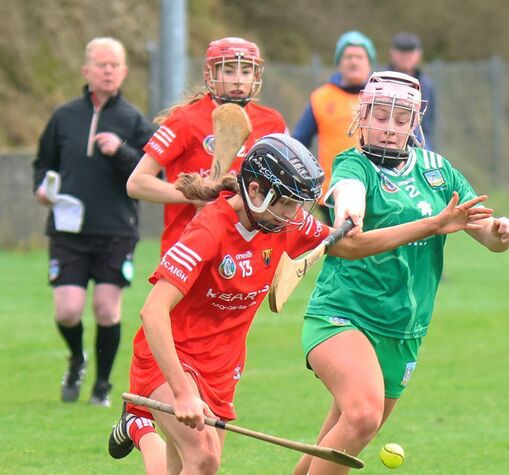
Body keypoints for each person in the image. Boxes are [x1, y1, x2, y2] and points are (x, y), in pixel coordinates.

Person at [107, 133, 492, 475]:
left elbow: (352, 246)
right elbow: (152, 312)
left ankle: (140, 427)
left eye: (298, 206)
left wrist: (434, 224)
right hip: (168, 356)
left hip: (222, 366)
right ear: (257, 192)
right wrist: (182, 393)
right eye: (287, 204)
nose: (295, 216)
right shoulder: (209, 229)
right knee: (204, 458)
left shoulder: (283, 225)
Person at [243, 71, 509, 475]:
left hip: (404, 333)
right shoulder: (351, 166)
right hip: (342, 316)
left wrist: (502, 231)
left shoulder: (440, 173)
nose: (389, 128)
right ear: (361, 119)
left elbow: (482, 229)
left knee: (338, 440)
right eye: (379, 116)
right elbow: (351, 230)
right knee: (364, 413)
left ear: (416, 122)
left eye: (401, 118)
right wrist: (419, 223)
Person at [32, 37, 155, 407]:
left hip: (116, 230)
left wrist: (121, 151)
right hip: (68, 230)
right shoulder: (64, 116)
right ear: (86, 71)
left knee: (106, 308)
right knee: (67, 310)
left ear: (124, 72)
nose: (107, 70)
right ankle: (77, 359)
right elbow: (43, 163)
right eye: (101, 64)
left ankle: (102, 384)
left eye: (114, 65)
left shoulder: (133, 120)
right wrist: (42, 187)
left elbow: (151, 172)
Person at [126, 37, 288, 256]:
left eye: (246, 72)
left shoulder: (272, 123)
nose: (238, 80)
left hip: (245, 253)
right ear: (211, 74)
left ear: (256, 76)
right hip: (188, 246)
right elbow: (136, 183)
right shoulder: (185, 119)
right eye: (229, 71)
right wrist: (196, 193)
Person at [292, 30, 375, 202]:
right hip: (331, 191)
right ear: (339, 62)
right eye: (348, 56)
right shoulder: (321, 98)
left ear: (369, 63)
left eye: (360, 57)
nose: (354, 61)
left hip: (376, 190)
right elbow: (298, 142)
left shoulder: (383, 98)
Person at [387, 32, 436, 150]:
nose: (406, 56)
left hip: (418, 141)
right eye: (401, 51)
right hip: (386, 136)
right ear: (392, 53)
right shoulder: (380, 80)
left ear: (419, 54)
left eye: (410, 52)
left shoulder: (427, 85)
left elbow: (427, 125)